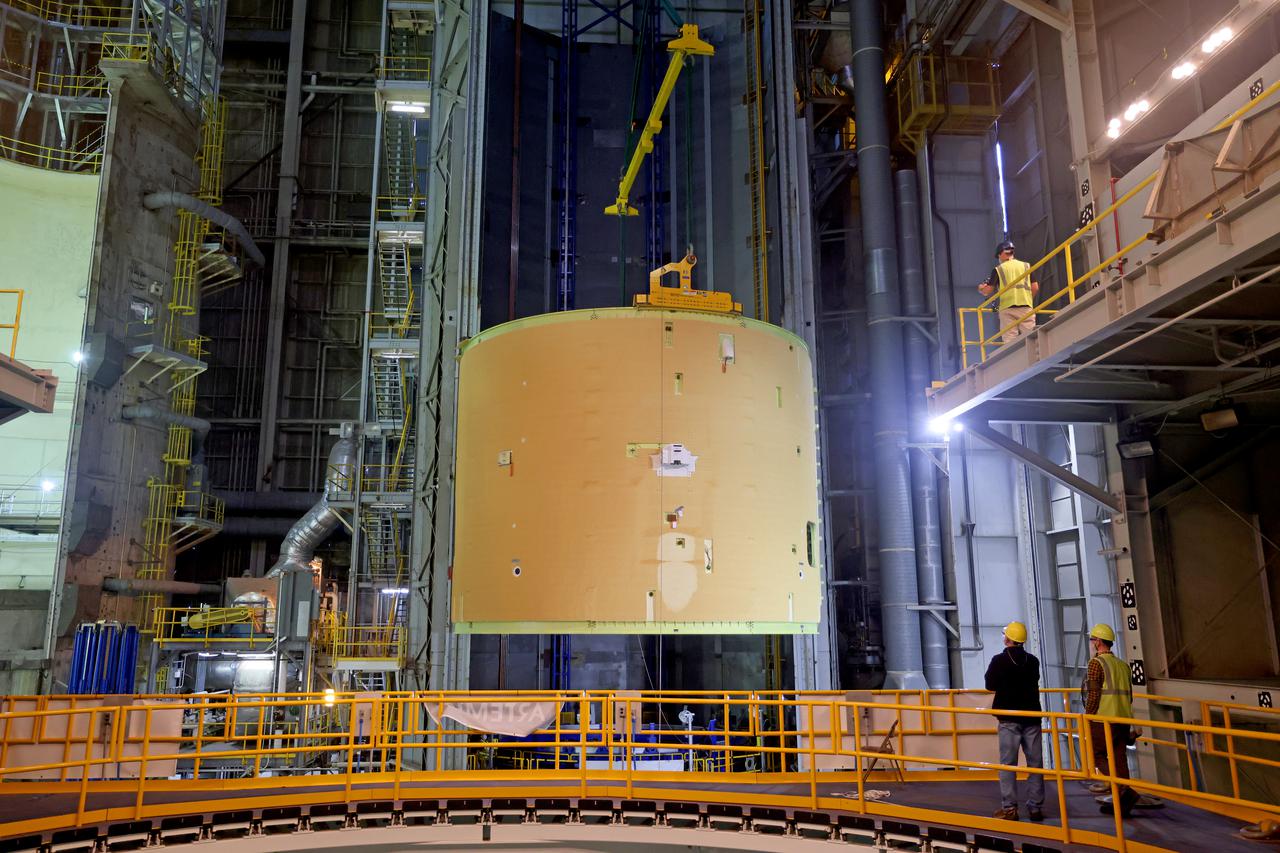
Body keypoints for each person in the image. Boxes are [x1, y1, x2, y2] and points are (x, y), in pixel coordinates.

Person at [984, 621, 1044, 821]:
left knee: (1008, 764)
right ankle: (1035, 807)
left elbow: (990, 685)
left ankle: (1010, 809)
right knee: (1035, 763)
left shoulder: (999, 660)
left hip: (1009, 718)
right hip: (1032, 718)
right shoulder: (1033, 661)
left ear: (1008, 639)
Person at [1083, 622, 1141, 816]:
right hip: (1122, 719)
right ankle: (1121, 803)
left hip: (1103, 720)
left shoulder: (1095, 664)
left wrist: (1088, 717)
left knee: (1098, 756)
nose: (1091, 643)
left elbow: (1093, 694)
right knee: (1119, 758)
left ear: (1098, 642)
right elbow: (1130, 696)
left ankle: (1125, 790)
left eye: (1092, 640)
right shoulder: (1123, 666)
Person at [978, 241, 1039, 342]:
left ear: (1001, 254)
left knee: (1010, 340)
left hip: (1007, 308)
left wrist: (981, 288)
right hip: (1025, 306)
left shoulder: (999, 269)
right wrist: (1027, 299)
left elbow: (987, 291)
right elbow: (1035, 287)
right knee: (1031, 337)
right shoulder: (1026, 266)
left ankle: (1015, 358)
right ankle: (1036, 357)